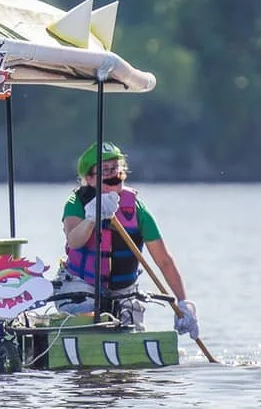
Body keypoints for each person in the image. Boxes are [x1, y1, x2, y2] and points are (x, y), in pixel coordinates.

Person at [57, 141, 199, 339]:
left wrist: (183, 301)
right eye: (105, 170)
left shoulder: (136, 208)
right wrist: (91, 219)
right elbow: (74, 241)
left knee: (129, 330)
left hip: (124, 290)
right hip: (81, 284)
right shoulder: (76, 203)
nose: (113, 174)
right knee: (89, 321)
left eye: (116, 168)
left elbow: (164, 260)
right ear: (89, 179)